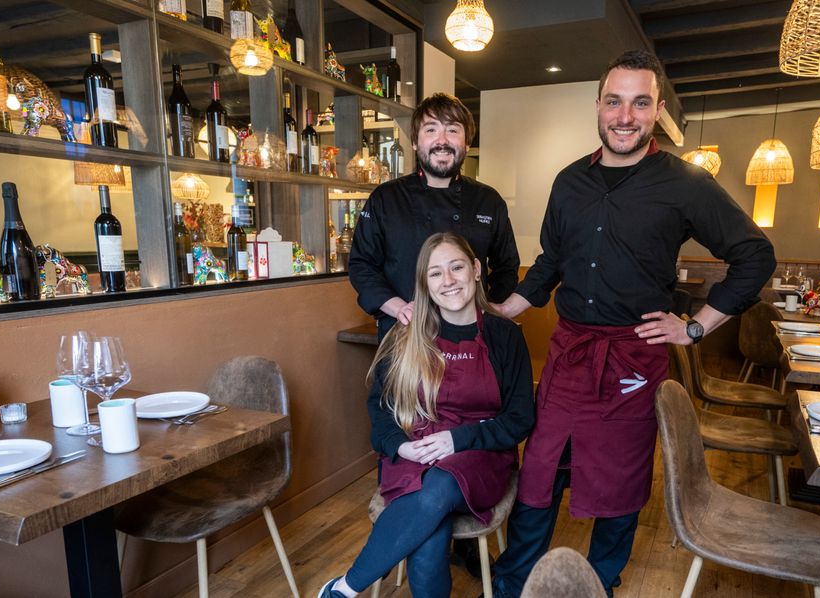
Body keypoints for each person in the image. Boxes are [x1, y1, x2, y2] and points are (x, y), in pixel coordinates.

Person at [489, 50, 777, 597]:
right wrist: (509, 309)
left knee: (618, 486)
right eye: (615, 102)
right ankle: (512, 587)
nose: (625, 115)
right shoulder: (569, 181)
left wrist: (693, 327)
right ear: (597, 106)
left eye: (640, 103)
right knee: (539, 476)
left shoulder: (686, 183)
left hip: (633, 357)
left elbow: (755, 256)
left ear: (657, 110)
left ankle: (601, 586)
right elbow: (551, 260)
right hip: (571, 353)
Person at [318, 232, 535, 598]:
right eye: (435, 274)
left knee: (439, 487)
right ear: (424, 283)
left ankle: (345, 587)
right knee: (431, 531)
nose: (448, 281)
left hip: (481, 453)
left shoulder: (504, 336)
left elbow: (519, 418)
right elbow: (381, 409)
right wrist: (401, 448)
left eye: (456, 267)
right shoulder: (406, 336)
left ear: (477, 270)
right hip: (415, 450)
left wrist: (457, 439)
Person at [349, 93, 520, 341]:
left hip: (472, 337)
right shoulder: (386, 198)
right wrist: (399, 308)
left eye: (452, 130)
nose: (442, 140)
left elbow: (507, 267)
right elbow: (361, 265)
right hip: (403, 334)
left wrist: (486, 308)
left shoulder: (489, 201)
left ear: (467, 143)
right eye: (431, 130)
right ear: (416, 142)